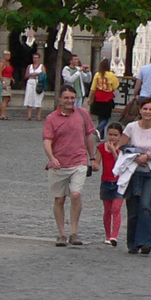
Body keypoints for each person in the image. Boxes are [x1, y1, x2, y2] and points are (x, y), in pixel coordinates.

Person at [42, 87, 98, 247]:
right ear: (59, 99)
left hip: (79, 161)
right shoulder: (51, 118)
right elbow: (47, 140)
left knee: (75, 194)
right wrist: (52, 158)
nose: (70, 101)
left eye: (72, 97)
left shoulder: (82, 114)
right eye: (66, 98)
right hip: (59, 164)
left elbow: (89, 136)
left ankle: (74, 232)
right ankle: (61, 233)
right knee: (59, 199)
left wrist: (92, 157)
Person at [119, 97, 151, 255]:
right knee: (133, 208)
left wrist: (147, 157)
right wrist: (135, 156)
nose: (147, 112)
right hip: (132, 172)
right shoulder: (131, 127)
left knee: (145, 206)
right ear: (140, 110)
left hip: (150, 172)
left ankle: (145, 242)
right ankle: (132, 243)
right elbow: (121, 146)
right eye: (145, 109)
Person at [96, 123, 124, 246]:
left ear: (120, 136)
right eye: (110, 134)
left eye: (115, 135)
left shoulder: (123, 149)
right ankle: (108, 234)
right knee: (107, 210)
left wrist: (113, 151)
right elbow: (97, 163)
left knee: (116, 208)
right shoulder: (101, 147)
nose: (112, 137)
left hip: (120, 182)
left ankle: (114, 235)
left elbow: (121, 164)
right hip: (106, 181)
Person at [89, 58, 120, 137]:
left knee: (100, 116)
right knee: (106, 117)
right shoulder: (111, 75)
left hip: (98, 97)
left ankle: (101, 136)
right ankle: (99, 129)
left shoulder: (97, 74)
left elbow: (93, 88)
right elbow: (115, 86)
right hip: (107, 97)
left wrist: (90, 98)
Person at [22, 52, 46, 121]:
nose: (35, 59)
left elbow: (44, 75)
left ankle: (38, 116)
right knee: (29, 98)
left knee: (38, 98)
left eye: (36, 58)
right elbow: (25, 76)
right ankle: (29, 115)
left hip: (38, 83)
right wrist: (30, 74)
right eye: (34, 58)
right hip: (30, 81)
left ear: (39, 59)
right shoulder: (29, 66)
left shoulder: (42, 66)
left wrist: (37, 74)